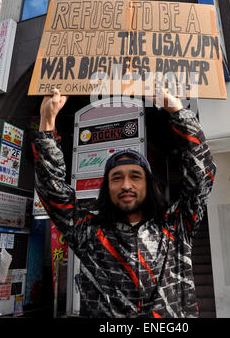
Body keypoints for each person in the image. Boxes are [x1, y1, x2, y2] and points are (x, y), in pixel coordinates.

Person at [31, 88, 216, 318]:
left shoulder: (176, 228)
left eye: (135, 176)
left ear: (149, 185)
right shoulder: (89, 234)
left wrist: (178, 111)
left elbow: (202, 177)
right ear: (106, 188)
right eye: (116, 178)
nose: (126, 185)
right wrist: (47, 122)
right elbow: (53, 192)